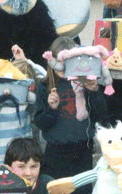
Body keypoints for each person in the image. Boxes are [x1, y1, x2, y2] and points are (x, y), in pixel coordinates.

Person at [33, 36, 108, 193]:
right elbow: (40, 122)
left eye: (67, 62)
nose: (62, 67)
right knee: (55, 189)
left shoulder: (85, 81)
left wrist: (94, 92)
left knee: (82, 190)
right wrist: (51, 108)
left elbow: (100, 115)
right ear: (52, 61)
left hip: (82, 150)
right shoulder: (44, 86)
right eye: (59, 62)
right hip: (56, 151)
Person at [0, 46, 45, 172]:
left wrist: (26, 61)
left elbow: (45, 77)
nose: (17, 90)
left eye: (24, 86)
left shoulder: (25, 99)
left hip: (23, 165)